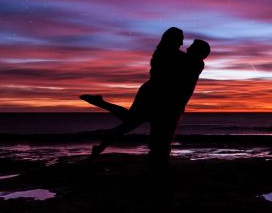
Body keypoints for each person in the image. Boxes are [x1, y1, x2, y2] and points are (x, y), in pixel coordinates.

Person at [79, 27, 209, 167]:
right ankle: (158, 167)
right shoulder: (177, 57)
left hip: (164, 101)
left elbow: (174, 69)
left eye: (191, 45)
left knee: (134, 125)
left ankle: (100, 141)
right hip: (158, 98)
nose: (184, 45)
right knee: (139, 127)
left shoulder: (189, 61)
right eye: (181, 40)